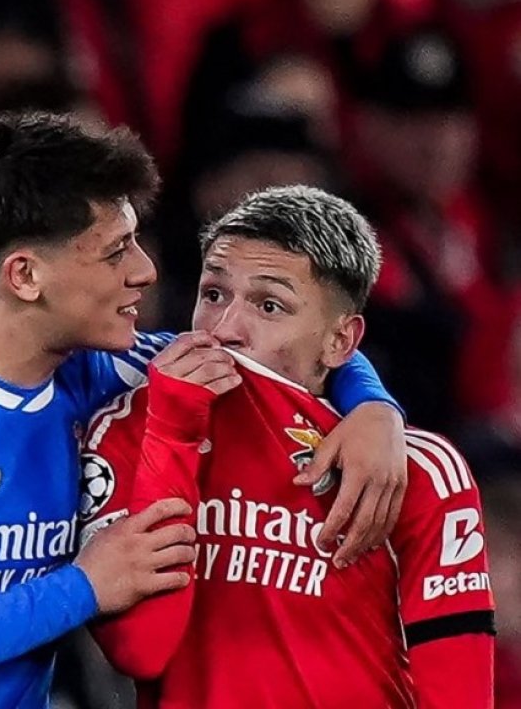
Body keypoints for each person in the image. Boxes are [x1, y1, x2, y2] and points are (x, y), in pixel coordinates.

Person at [0, 113, 405, 708]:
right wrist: (85, 585)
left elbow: (259, 355)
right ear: (25, 276)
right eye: (115, 252)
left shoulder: (99, 368)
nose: (145, 271)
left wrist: (375, 411)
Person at [82, 186, 495, 707]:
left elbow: (458, 690)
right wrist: (172, 430)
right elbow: (140, 651)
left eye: (269, 305)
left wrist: (376, 405)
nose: (225, 329)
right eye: (213, 294)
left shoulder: (414, 468)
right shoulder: (129, 428)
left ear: (340, 341)